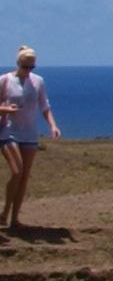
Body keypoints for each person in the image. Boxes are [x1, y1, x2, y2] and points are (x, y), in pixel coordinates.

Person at [0, 45, 60, 233]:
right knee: (16, 171)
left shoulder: (38, 81)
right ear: (18, 63)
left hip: (30, 133)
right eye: (25, 67)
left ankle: (14, 219)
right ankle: (5, 211)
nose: (28, 70)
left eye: (31, 67)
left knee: (24, 177)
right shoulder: (5, 80)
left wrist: (53, 125)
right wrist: (6, 110)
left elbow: (44, 106)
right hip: (9, 130)